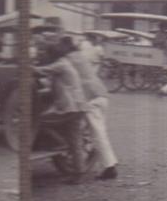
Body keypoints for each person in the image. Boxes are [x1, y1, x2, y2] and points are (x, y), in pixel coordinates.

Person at [62, 36, 118, 180]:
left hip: (91, 98)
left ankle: (110, 168)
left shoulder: (67, 59)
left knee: (97, 134)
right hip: (101, 93)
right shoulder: (79, 55)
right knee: (98, 133)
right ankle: (109, 163)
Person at [34, 34, 88, 180]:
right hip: (78, 106)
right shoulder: (65, 63)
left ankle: (59, 143)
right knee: (75, 140)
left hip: (70, 107)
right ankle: (79, 173)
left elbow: (40, 71)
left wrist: (28, 67)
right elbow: (56, 85)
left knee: (38, 120)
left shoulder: (60, 64)